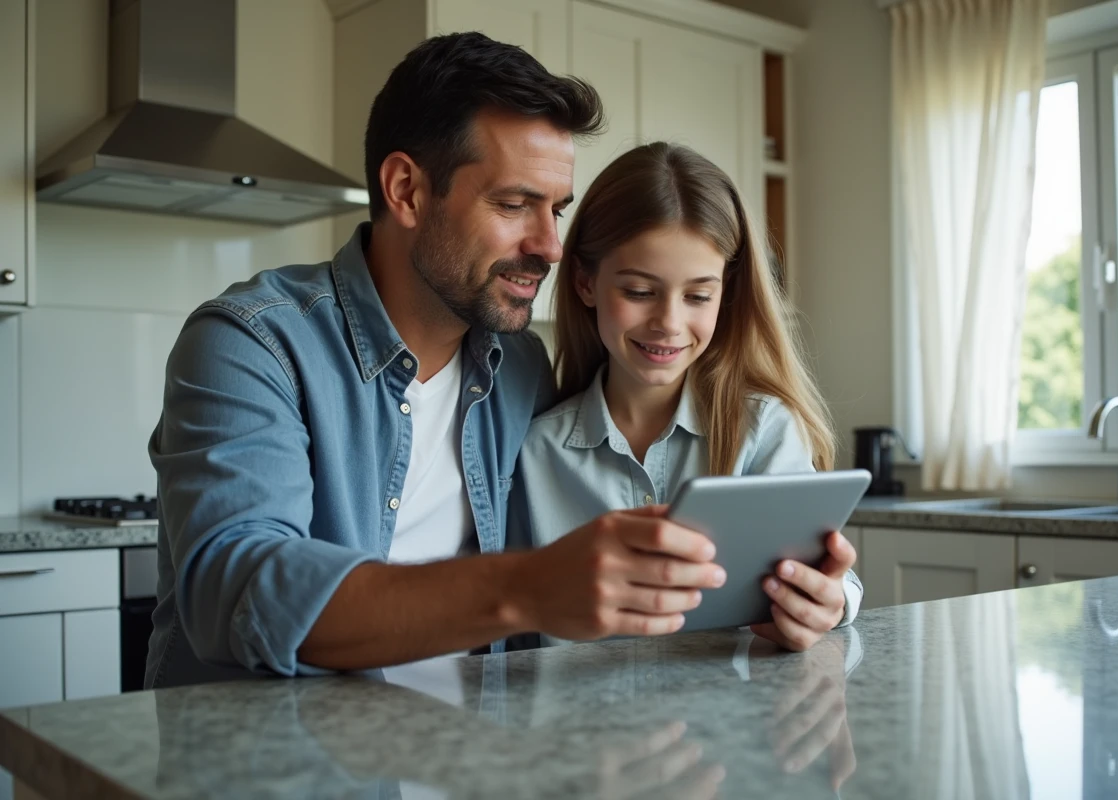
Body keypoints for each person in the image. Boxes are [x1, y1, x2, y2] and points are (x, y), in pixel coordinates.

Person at [144, 33, 728, 689]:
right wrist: (524, 588)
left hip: (472, 760)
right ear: (408, 190)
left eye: (555, 210)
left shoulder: (521, 368)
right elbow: (238, 589)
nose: (551, 247)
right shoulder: (251, 344)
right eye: (514, 204)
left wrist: (789, 591)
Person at [514, 143, 862, 652]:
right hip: (575, 726)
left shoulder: (762, 431)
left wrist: (828, 604)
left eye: (698, 296)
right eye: (638, 291)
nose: (669, 324)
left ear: (726, 294)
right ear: (587, 282)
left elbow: (831, 583)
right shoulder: (533, 451)